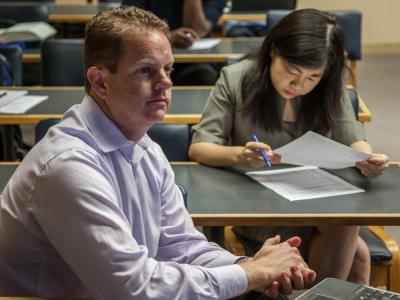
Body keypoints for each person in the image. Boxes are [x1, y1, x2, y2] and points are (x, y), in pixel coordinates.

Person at [0, 6, 315, 300]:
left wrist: (249, 264)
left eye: (168, 68)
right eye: (145, 71)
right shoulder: (68, 166)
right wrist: (251, 273)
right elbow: (133, 288)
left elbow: (178, 244)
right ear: (99, 82)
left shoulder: (145, 148)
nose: (165, 83)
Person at [189, 9, 389, 285]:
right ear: (273, 51)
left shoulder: (330, 85)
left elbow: (352, 134)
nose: (299, 85)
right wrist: (240, 155)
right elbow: (200, 147)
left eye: (313, 77)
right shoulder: (236, 79)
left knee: (347, 230)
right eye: (292, 72)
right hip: (260, 208)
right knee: (354, 250)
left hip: (317, 203)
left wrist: (367, 158)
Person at [121, 0, 227, 85]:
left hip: (194, 61)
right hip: (149, 57)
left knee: (203, 75)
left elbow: (198, 30)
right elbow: (129, 25)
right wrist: (168, 36)